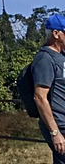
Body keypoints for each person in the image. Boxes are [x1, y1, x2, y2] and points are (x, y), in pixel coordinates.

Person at [32, 13, 65, 164]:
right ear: (56, 34)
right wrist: (55, 132)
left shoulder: (61, 56)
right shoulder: (45, 59)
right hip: (60, 124)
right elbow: (40, 97)